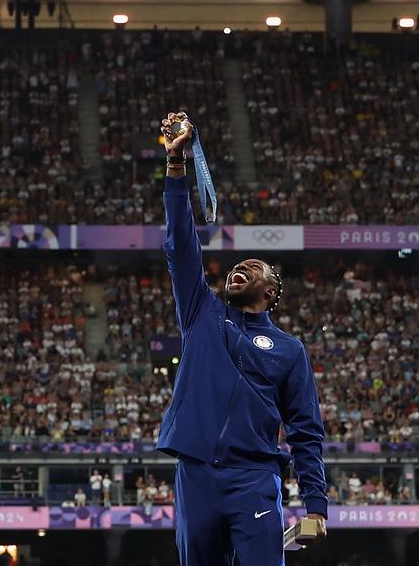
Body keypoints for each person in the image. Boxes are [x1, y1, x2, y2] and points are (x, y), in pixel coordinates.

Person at [157, 111, 328, 566]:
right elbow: (179, 245)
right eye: (237, 265)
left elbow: (306, 429)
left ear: (271, 291)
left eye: (254, 267)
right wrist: (176, 167)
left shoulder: (290, 350)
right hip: (195, 474)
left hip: (253, 476)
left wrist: (316, 505)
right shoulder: (201, 312)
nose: (241, 267)